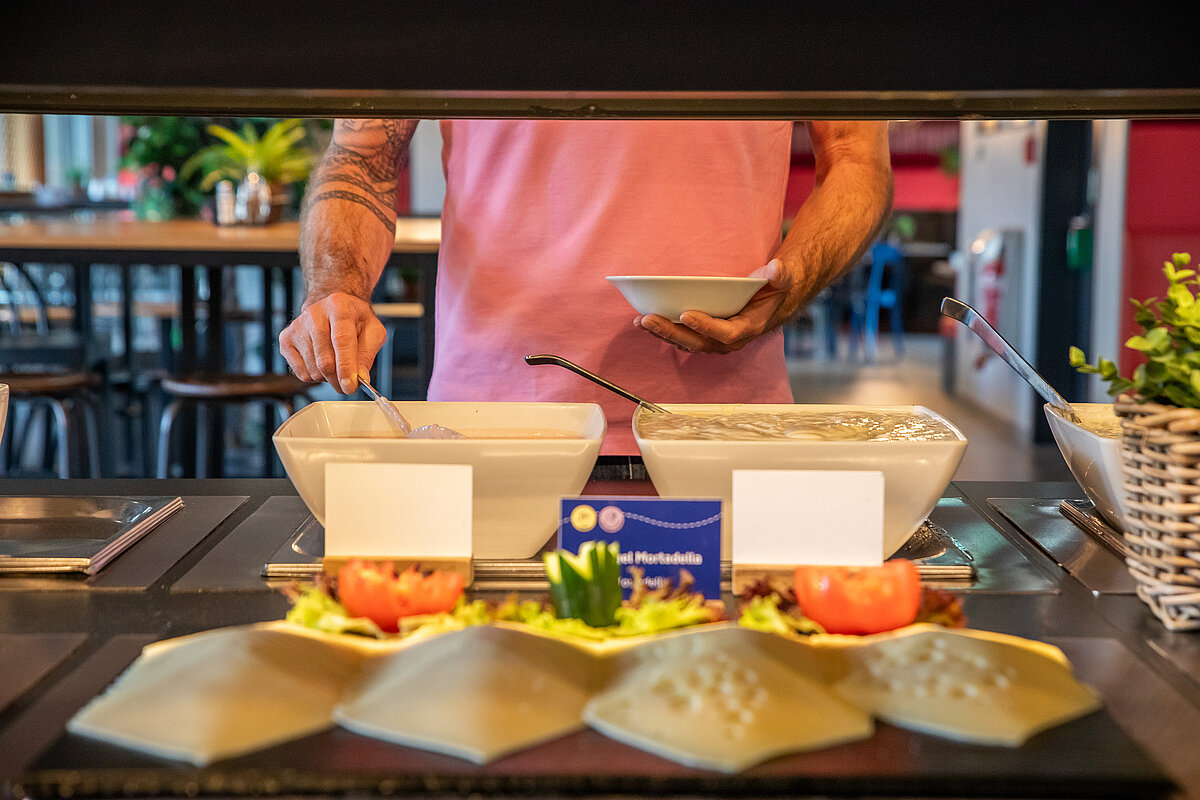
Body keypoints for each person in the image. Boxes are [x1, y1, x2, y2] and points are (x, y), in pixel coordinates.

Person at [280, 119, 893, 454]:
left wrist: (783, 291)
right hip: (490, 425)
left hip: (722, 429)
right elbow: (362, 156)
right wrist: (338, 286)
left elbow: (854, 157)